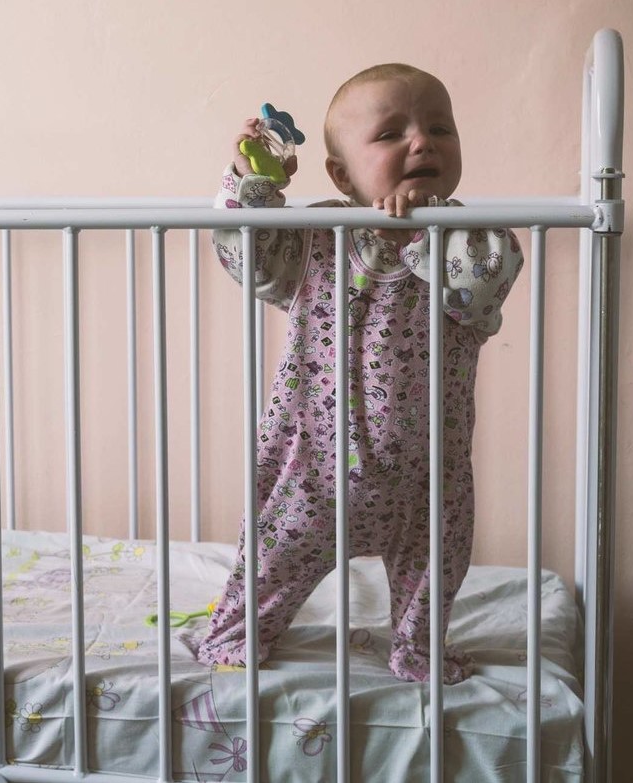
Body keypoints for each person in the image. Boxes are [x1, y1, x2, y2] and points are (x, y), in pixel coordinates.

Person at [196, 64, 524, 684]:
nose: (422, 142)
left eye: (440, 129)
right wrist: (253, 188)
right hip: (316, 466)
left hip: (428, 474)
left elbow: (482, 285)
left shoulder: (472, 235)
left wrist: (428, 230)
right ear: (342, 175)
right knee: (273, 558)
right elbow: (249, 256)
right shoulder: (318, 234)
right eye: (391, 133)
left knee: (435, 566)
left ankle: (417, 648)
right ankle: (237, 632)